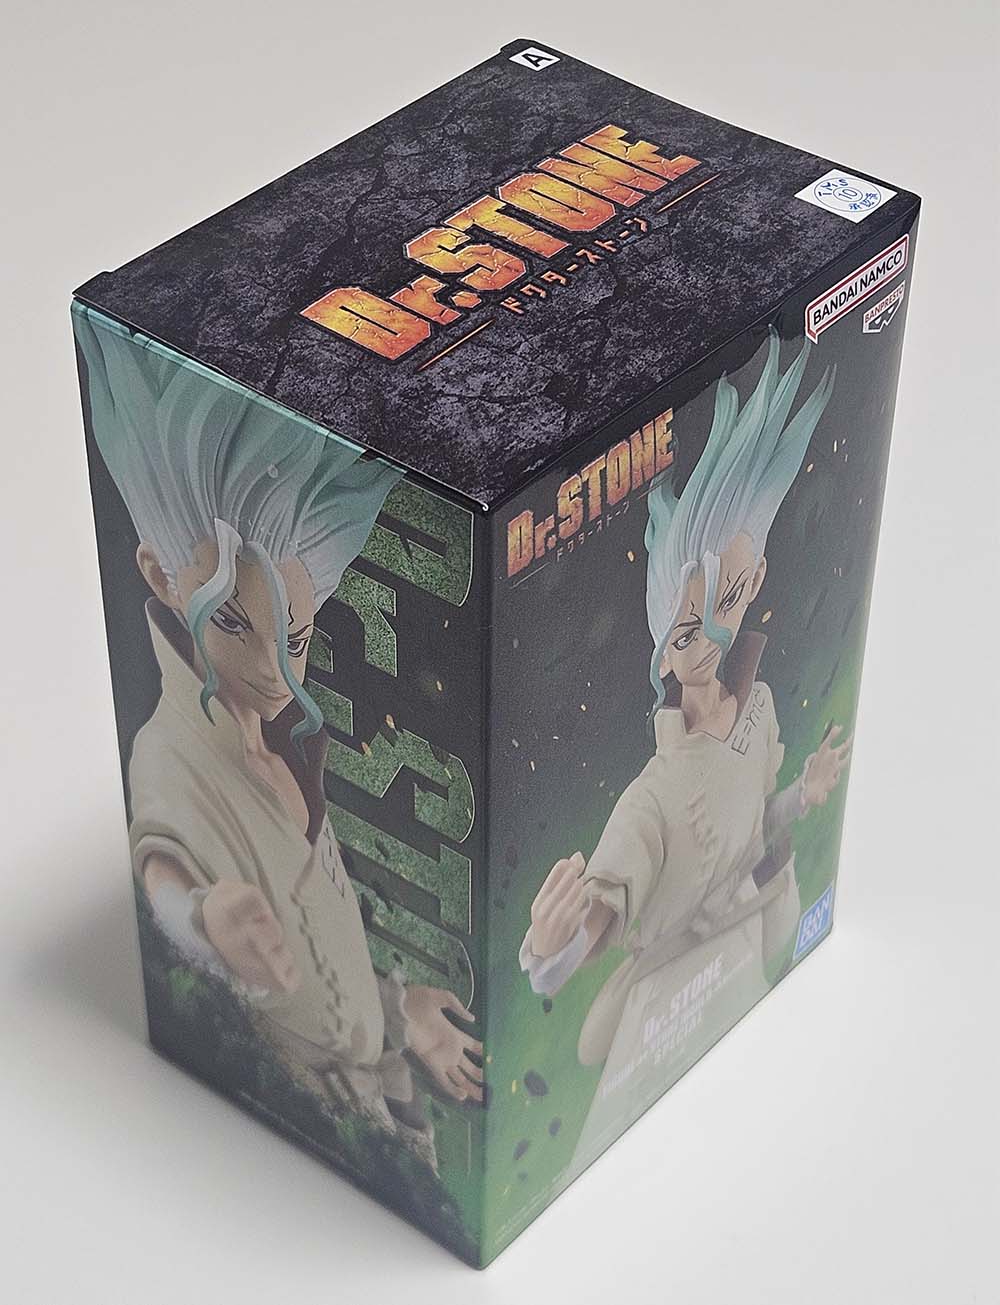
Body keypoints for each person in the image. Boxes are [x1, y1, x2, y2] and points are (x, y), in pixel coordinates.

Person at [75, 305, 482, 1167]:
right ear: (157, 574)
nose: (275, 673)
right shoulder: (169, 754)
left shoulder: (290, 746)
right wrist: (200, 918)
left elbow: (323, 947)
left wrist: (397, 1009)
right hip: (278, 1140)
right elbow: (161, 867)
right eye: (232, 622)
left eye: (294, 638)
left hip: (379, 1120)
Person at [519, 330, 850, 1169]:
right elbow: (603, 909)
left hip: (753, 954)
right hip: (668, 998)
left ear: (755, 579)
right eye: (688, 628)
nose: (713, 635)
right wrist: (553, 947)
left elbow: (755, 825)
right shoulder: (654, 793)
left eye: (730, 597)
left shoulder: (760, 711)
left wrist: (803, 795)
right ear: (665, 651)